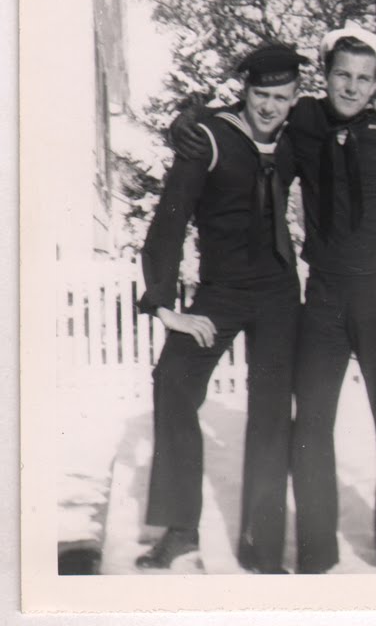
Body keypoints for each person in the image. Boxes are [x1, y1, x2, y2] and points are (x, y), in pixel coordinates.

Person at [171, 22, 376, 575]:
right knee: (310, 427)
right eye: (342, 76)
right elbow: (248, 111)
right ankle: (316, 553)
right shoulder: (306, 118)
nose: (352, 88)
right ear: (327, 76)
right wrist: (187, 122)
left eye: (364, 79)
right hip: (324, 297)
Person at [136, 44, 308, 574]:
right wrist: (164, 305)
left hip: (278, 293)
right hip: (222, 291)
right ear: (245, 90)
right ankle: (180, 530)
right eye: (261, 95)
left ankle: (262, 543)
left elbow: (347, 116)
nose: (270, 107)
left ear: (295, 97)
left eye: (282, 97)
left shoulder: (298, 134)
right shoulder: (209, 138)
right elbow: (170, 219)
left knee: (272, 409)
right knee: (173, 380)